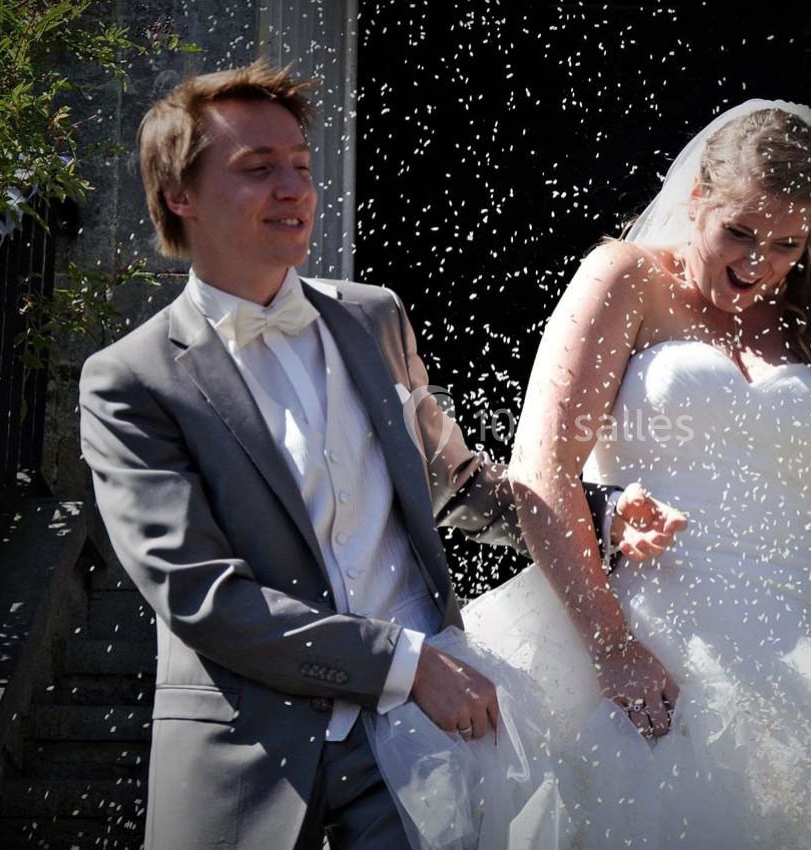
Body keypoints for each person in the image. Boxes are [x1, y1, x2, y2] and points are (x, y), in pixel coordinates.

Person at [370, 101, 811, 848]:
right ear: (697, 199)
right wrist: (614, 648)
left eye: (785, 245)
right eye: (738, 233)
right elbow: (543, 471)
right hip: (630, 628)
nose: (756, 263)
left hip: (791, 641)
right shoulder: (626, 278)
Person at [77, 62, 685, 850]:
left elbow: (455, 485)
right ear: (178, 197)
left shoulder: (375, 318)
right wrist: (404, 665)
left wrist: (596, 511)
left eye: (300, 163)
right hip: (249, 762)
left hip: (427, 751)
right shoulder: (130, 380)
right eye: (258, 169)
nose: (294, 186)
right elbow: (201, 596)